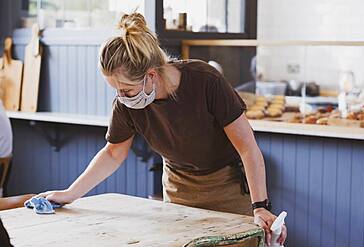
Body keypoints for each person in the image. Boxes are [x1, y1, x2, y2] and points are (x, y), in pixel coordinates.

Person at [37, 13, 287, 245]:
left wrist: (259, 206)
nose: (121, 97)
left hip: (227, 187)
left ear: (151, 75)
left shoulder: (205, 81)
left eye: (126, 89)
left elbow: (247, 147)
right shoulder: (126, 104)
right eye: (115, 90)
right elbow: (113, 153)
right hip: (178, 189)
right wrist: (70, 194)